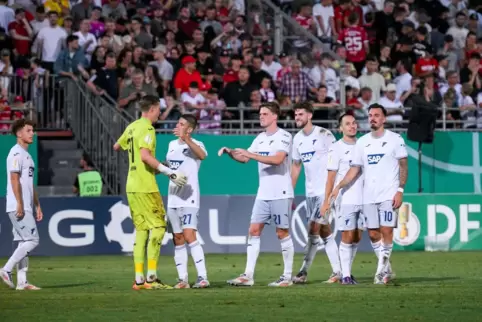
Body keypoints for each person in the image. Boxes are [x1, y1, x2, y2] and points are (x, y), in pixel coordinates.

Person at [113, 95, 188, 290]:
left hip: (132, 185)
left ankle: (139, 280)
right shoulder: (147, 128)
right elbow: (145, 156)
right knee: (158, 227)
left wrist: (155, 165)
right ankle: (152, 278)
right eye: (159, 109)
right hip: (146, 186)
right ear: (153, 108)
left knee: (141, 230)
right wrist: (168, 171)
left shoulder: (132, 126)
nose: (160, 113)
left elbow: (117, 146)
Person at [330, 104, 408, 285]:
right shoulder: (362, 142)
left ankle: (380, 272)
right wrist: (339, 186)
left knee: (387, 230)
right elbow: (355, 169)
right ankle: (386, 270)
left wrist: (400, 190)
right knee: (373, 234)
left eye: (376, 115)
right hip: (369, 197)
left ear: (384, 119)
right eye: (370, 115)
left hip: (389, 194)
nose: (372, 118)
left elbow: (403, 166)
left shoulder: (395, 139)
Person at [219, 102, 294, 287]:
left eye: (265, 113)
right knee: (253, 231)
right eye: (260, 113)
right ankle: (248, 275)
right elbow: (244, 158)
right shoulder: (260, 138)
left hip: (281, 193)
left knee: (282, 232)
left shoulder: (284, 136)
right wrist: (230, 152)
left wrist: (251, 155)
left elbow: (277, 160)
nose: (261, 116)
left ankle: (287, 276)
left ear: (275, 116)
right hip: (263, 193)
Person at [290, 102, 342, 284]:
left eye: (301, 114)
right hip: (310, 193)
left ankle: (303, 271)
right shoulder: (296, 139)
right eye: (295, 114)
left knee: (313, 228)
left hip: (325, 191)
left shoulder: (323, 135)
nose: (297, 117)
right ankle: (338, 271)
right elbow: (296, 166)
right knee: (325, 232)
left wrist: (334, 190)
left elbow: (338, 158)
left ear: (310, 115)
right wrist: (290, 192)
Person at [166, 114, 210, 289]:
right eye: (178, 122)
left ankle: (202, 277)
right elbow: (170, 166)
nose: (178, 125)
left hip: (189, 198)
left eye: (182, 124)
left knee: (190, 235)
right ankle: (183, 279)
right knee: (177, 237)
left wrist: (187, 139)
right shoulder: (171, 145)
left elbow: (202, 156)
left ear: (190, 129)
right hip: (172, 198)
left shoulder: (197, 145)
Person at [321, 113, 364, 285]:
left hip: (364, 197)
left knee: (357, 236)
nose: (352, 126)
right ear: (341, 128)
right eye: (348, 124)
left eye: (354, 123)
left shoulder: (364, 144)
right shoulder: (336, 148)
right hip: (346, 198)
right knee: (347, 234)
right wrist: (326, 200)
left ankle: (348, 272)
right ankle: (345, 275)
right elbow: (331, 176)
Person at [1, 119, 42, 290]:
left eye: (33, 130)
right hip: (18, 205)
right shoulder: (16, 154)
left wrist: (37, 205)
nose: (32, 133)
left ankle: (22, 282)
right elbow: (14, 179)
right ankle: (6, 269)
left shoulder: (27, 155)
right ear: (19, 134)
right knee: (33, 240)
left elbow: (29, 184)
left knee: (23, 241)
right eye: (29, 130)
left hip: (26, 204)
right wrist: (19, 203)